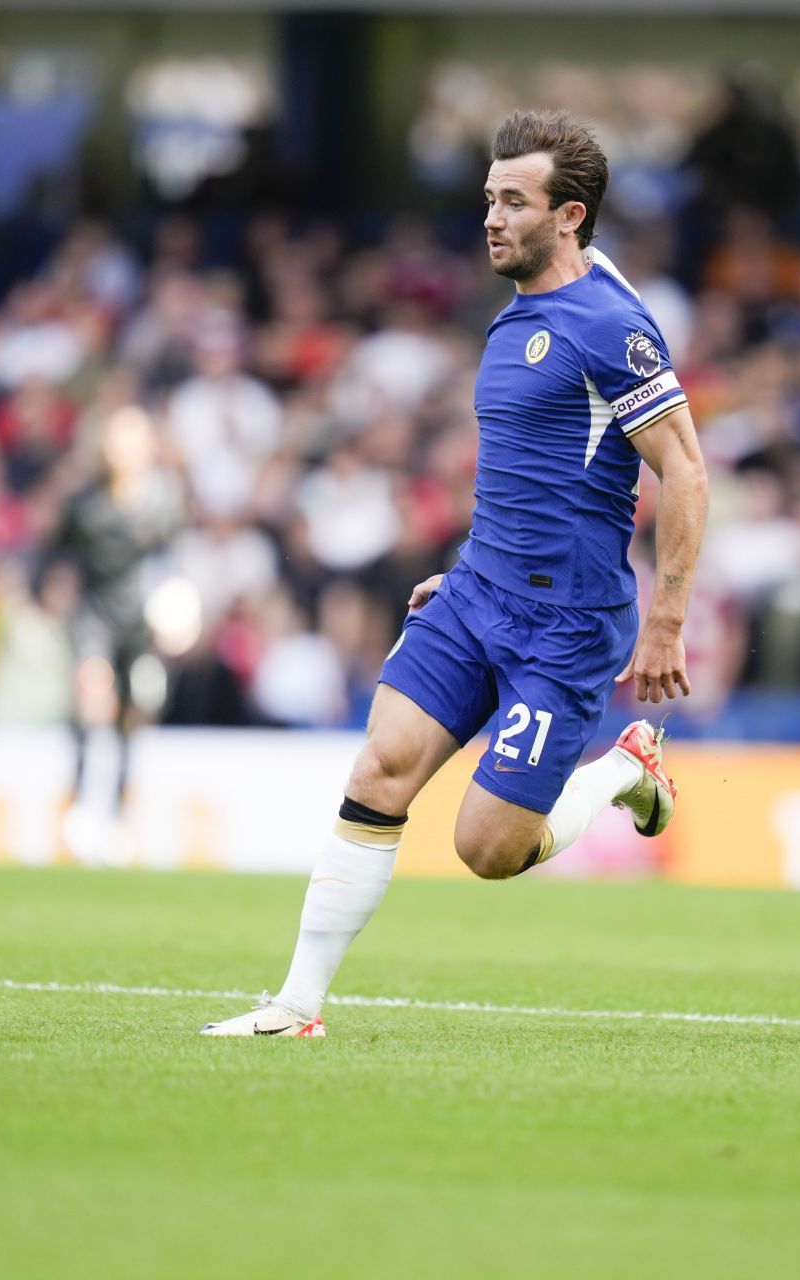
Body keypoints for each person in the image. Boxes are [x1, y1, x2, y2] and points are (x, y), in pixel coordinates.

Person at [204, 111, 709, 1037]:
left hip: (566, 629)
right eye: (488, 198)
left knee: (486, 848)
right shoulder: (512, 321)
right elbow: (524, 477)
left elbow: (685, 470)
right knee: (382, 766)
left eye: (513, 201)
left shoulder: (609, 325)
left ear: (569, 216)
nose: (490, 217)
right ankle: (296, 1005)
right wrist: (470, 568)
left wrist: (667, 622)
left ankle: (624, 769)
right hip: (478, 595)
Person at [53, 405, 184, 858]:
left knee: (135, 714)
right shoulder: (85, 502)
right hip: (94, 617)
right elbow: (56, 554)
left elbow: (173, 557)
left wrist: (178, 606)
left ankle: (119, 815)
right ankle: (79, 807)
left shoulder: (165, 497)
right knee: (91, 705)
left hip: (142, 622)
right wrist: (50, 592)